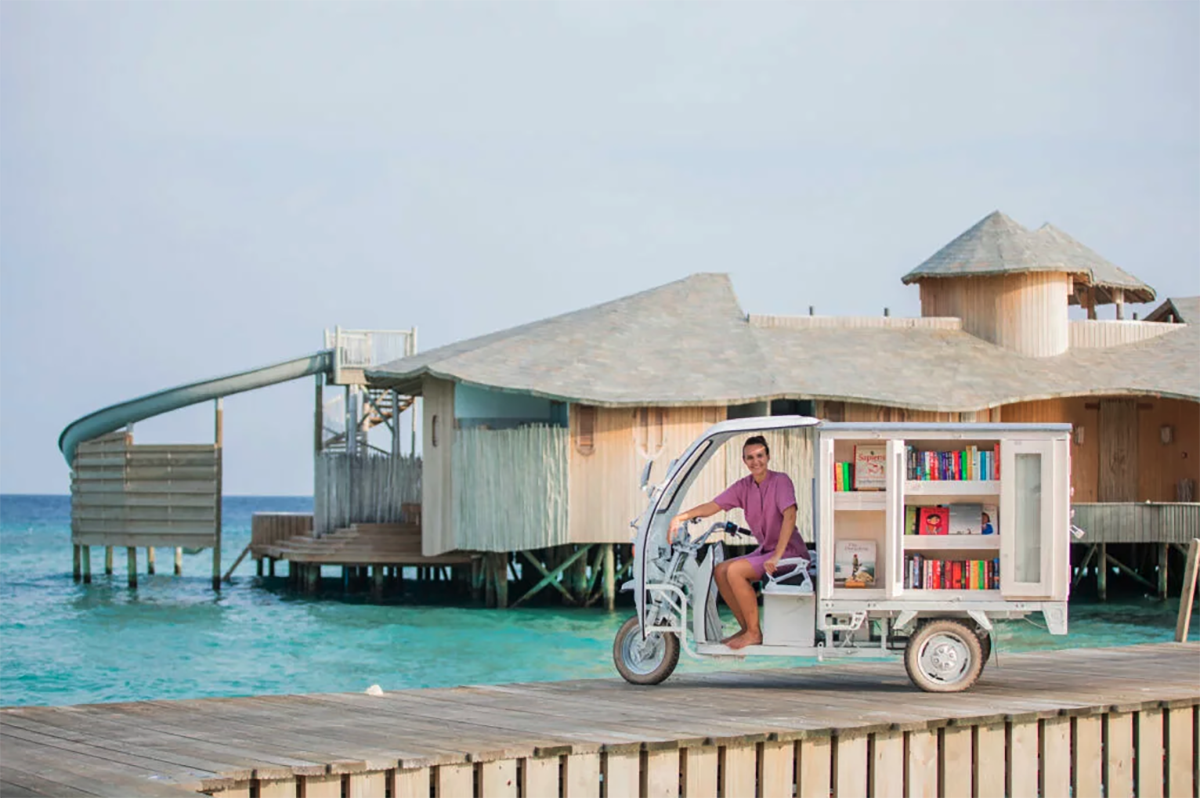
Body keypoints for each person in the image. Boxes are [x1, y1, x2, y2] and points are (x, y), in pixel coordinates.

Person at [667, 435, 809, 650]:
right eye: (750, 457)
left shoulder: (781, 481)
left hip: (789, 553)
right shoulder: (744, 486)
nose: (756, 461)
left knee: (735, 571)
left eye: (760, 456)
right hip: (766, 551)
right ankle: (746, 629)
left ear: (768, 456)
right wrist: (680, 517)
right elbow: (713, 506)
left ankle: (754, 633)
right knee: (721, 571)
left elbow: (790, 516)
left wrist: (777, 556)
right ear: (744, 461)